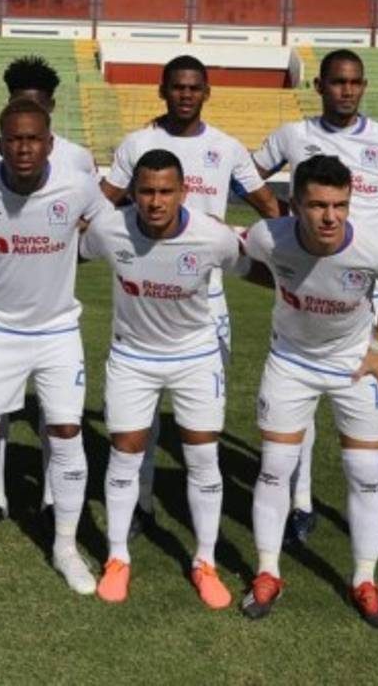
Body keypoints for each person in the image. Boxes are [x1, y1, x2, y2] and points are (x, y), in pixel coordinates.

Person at [253, 48, 378, 545]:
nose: (346, 90)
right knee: (301, 396)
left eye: (355, 82)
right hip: (313, 288)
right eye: (337, 82)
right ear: (319, 86)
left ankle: (368, 509)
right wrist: (284, 228)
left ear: (364, 86)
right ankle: (300, 503)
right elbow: (247, 177)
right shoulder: (292, 136)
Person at [101, 55, 281, 536]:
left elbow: (270, 208)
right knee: (142, 419)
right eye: (177, 87)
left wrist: (285, 250)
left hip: (207, 299)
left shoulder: (227, 148)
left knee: (199, 420)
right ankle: (140, 503)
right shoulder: (138, 143)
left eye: (194, 87)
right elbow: (101, 205)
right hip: (145, 295)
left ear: (206, 92)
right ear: (162, 90)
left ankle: (197, 512)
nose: (185, 95)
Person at [238, 155, 378, 630]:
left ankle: (365, 581)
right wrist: (281, 283)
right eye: (317, 205)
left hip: (354, 366)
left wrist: (377, 347)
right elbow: (238, 256)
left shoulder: (375, 247)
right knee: (275, 468)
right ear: (295, 205)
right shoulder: (268, 236)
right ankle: (267, 573)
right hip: (290, 364)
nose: (330, 217)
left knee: (365, 473)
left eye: (340, 205)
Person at [0, 98, 111, 595]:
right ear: (0, 144)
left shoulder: (78, 186)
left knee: (65, 432)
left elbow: (110, 230)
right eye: (14, 139)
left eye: (33, 139)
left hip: (57, 331)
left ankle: (65, 547)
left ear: (49, 144)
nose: (24, 148)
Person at [81, 149, 247, 607]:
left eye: (165, 191)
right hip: (132, 358)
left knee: (203, 457)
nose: (156, 201)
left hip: (196, 358)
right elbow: (70, 255)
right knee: (125, 453)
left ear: (184, 192)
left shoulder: (212, 237)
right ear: (133, 192)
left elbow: (251, 268)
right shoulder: (109, 228)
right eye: (147, 191)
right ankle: (118, 557)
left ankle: (205, 562)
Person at [0, 55, 97, 526]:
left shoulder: (76, 160)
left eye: (37, 106)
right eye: (19, 103)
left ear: (51, 110)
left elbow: (96, 225)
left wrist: (60, 248)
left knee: (57, 416)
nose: (27, 119)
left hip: (53, 316)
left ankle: (51, 496)